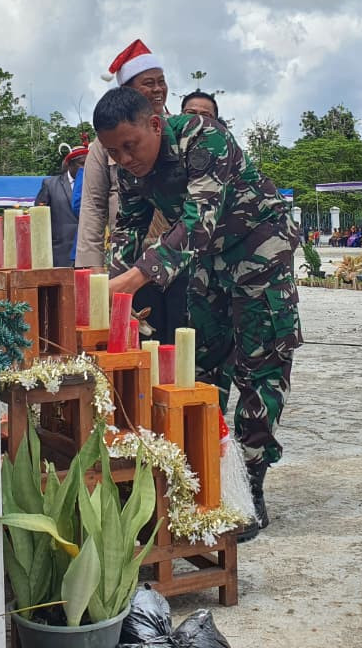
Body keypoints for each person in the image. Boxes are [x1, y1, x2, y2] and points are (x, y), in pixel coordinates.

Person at [95, 86, 302, 540]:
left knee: (260, 365)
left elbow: (198, 220)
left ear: (155, 123)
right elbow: (128, 231)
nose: (125, 159)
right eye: (114, 152)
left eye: (130, 146)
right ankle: (205, 474)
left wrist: (134, 280)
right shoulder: (129, 170)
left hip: (259, 252)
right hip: (208, 265)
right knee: (204, 365)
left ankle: (250, 484)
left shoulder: (203, 139)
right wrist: (106, 290)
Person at [76, 39, 186, 342]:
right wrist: (93, 275)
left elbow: (199, 218)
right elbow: (95, 206)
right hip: (132, 259)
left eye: (160, 82)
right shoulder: (103, 145)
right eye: (147, 84)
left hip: (181, 256)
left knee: (181, 339)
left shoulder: (185, 134)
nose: (156, 90)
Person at [35, 143, 86, 266]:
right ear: (69, 164)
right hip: (60, 252)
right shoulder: (50, 184)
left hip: (87, 251)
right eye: (82, 164)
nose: (86, 168)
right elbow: (38, 219)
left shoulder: (95, 185)